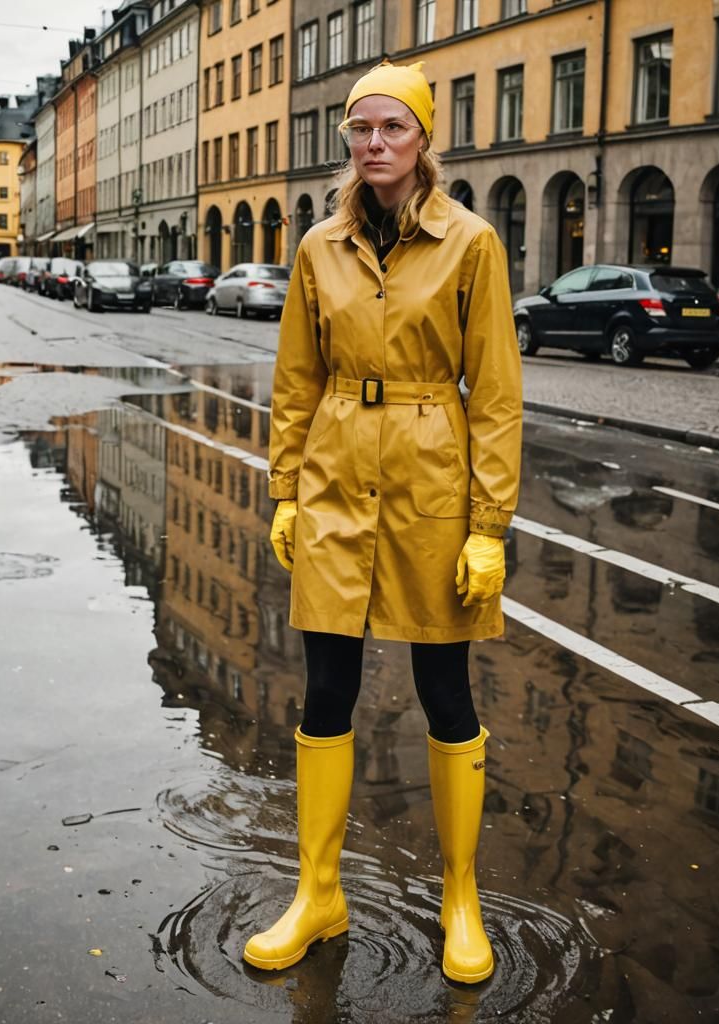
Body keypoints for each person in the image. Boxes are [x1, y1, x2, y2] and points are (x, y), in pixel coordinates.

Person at [244, 60, 522, 985]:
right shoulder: (318, 245)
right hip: (331, 470)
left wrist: (488, 525)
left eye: (391, 129)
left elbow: (498, 398)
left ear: (423, 139)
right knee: (326, 685)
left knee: (445, 686)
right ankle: (318, 892)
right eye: (360, 129)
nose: (373, 144)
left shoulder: (471, 242)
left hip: (430, 474)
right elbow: (294, 378)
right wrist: (286, 490)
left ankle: (460, 896)